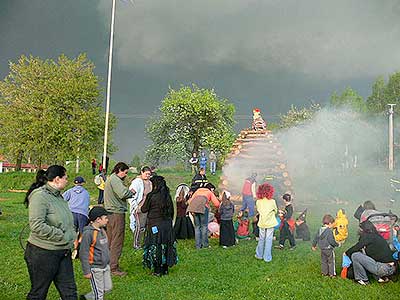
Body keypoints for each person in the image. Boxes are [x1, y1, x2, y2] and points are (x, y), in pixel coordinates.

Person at [23, 165, 77, 299]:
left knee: (70, 292)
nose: (67, 180)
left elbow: (63, 220)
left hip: (63, 251)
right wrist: (62, 235)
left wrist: (72, 236)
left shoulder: (59, 197)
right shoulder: (39, 196)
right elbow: (37, 225)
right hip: (43, 253)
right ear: (57, 179)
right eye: (66, 177)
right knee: (39, 292)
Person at [141, 176, 177, 276]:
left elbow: (144, 209)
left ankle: (157, 270)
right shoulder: (167, 196)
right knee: (166, 245)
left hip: (155, 225)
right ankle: (165, 269)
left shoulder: (151, 196)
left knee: (156, 245)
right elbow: (172, 211)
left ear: (155, 185)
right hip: (167, 225)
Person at [104, 162, 135, 276]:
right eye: (125, 172)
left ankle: (106, 265)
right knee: (117, 241)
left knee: (110, 240)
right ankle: (113, 268)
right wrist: (130, 192)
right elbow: (122, 193)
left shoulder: (110, 179)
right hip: (116, 213)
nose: (125, 175)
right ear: (119, 170)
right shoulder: (115, 179)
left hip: (109, 213)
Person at [344, 220, 397, 285]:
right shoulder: (376, 236)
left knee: (355, 255)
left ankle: (363, 280)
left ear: (364, 230)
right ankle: (382, 278)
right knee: (364, 257)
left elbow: (355, 248)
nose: (359, 231)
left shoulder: (368, 237)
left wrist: (346, 253)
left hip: (384, 268)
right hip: (391, 268)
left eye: (360, 229)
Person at [79, 206, 112, 300]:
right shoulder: (88, 234)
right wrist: (86, 271)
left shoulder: (102, 230)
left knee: (107, 288)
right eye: (105, 218)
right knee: (99, 294)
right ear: (98, 219)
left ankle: (86, 298)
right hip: (95, 268)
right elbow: (83, 253)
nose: (107, 220)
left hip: (105, 266)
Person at [187, 183, 220, 249]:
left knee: (197, 227)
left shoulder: (197, 191)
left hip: (194, 209)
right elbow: (217, 204)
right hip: (203, 209)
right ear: (210, 189)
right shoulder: (209, 192)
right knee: (204, 226)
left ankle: (198, 246)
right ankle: (205, 245)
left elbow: (189, 201)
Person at [128, 166, 152, 250]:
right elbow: (131, 196)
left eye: (149, 174)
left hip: (149, 208)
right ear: (142, 172)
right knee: (140, 227)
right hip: (140, 207)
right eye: (146, 174)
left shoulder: (150, 182)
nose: (148, 175)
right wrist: (135, 207)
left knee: (147, 226)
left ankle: (146, 243)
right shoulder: (137, 182)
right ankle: (136, 244)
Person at [254, 182, 278, 262]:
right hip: (270, 223)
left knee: (261, 239)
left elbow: (258, 210)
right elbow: (275, 211)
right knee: (269, 239)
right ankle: (267, 257)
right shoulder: (272, 201)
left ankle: (259, 255)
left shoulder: (258, 202)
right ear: (270, 191)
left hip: (262, 223)